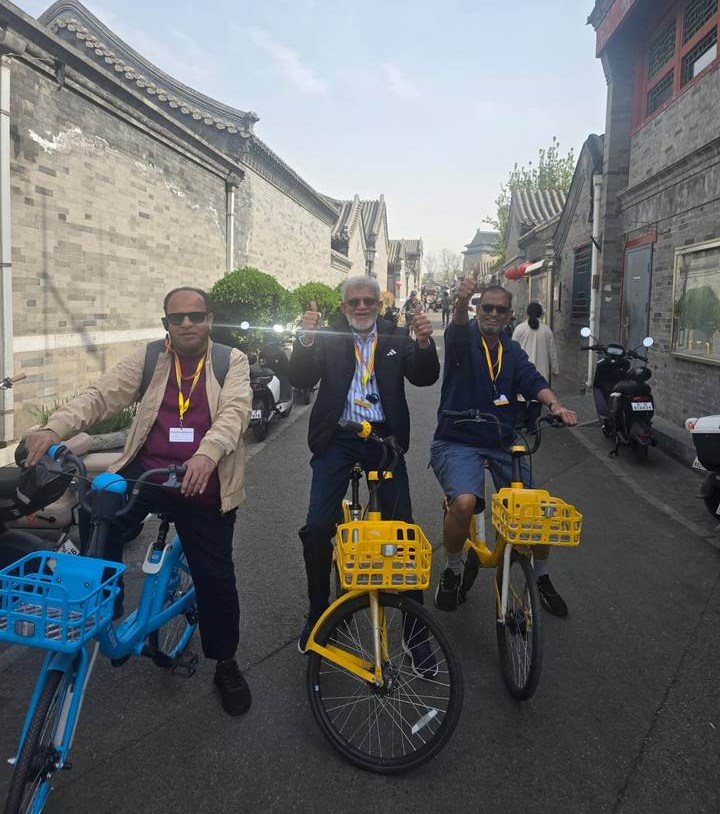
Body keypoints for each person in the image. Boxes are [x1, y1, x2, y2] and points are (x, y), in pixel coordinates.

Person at [23, 287, 253, 716]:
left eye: (195, 316)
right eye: (177, 318)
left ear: (209, 320)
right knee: (96, 505)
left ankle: (225, 661)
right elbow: (100, 395)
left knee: (215, 578)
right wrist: (53, 427)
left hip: (204, 480)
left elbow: (235, 411)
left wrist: (207, 453)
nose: (187, 324)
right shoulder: (150, 359)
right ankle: (108, 611)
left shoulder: (229, 360)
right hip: (148, 471)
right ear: (166, 324)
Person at [289, 275, 440, 663]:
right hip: (336, 438)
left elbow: (424, 377)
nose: (360, 307)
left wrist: (424, 343)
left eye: (368, 302)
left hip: (383, 439)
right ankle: (319, 611)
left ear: (379, 306)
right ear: (343, 308)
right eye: (353, 302)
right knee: (319, 526)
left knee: (401, 529)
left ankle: (414, 630)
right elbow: (302, 380)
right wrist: (304, 340)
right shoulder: (328, 335)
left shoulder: (394, 335)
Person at [429, 278, 577, 617]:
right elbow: (456, 328)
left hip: (501, 439)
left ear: (510, 315)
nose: (493, 314)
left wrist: (554, 405)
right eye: (486, 307)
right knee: (464, 503)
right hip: (458, 438)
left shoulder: (510, 349)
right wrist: (460, 301)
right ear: (478, 309)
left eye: (500, 309)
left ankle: (541, 577)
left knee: (535, 508)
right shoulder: (464, 339)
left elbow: (532, 380)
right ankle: (453, 570)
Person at [512, 302, 559, 429]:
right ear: (541, 313)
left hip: (521, 369)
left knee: (520, 397)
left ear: (527, 313)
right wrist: (555, 369)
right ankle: (533, 426)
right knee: (537, 399)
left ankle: (520, 421)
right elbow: (552, 352)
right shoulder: (546, 330)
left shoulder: (520, 329)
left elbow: (511, 350)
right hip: (540, 370)